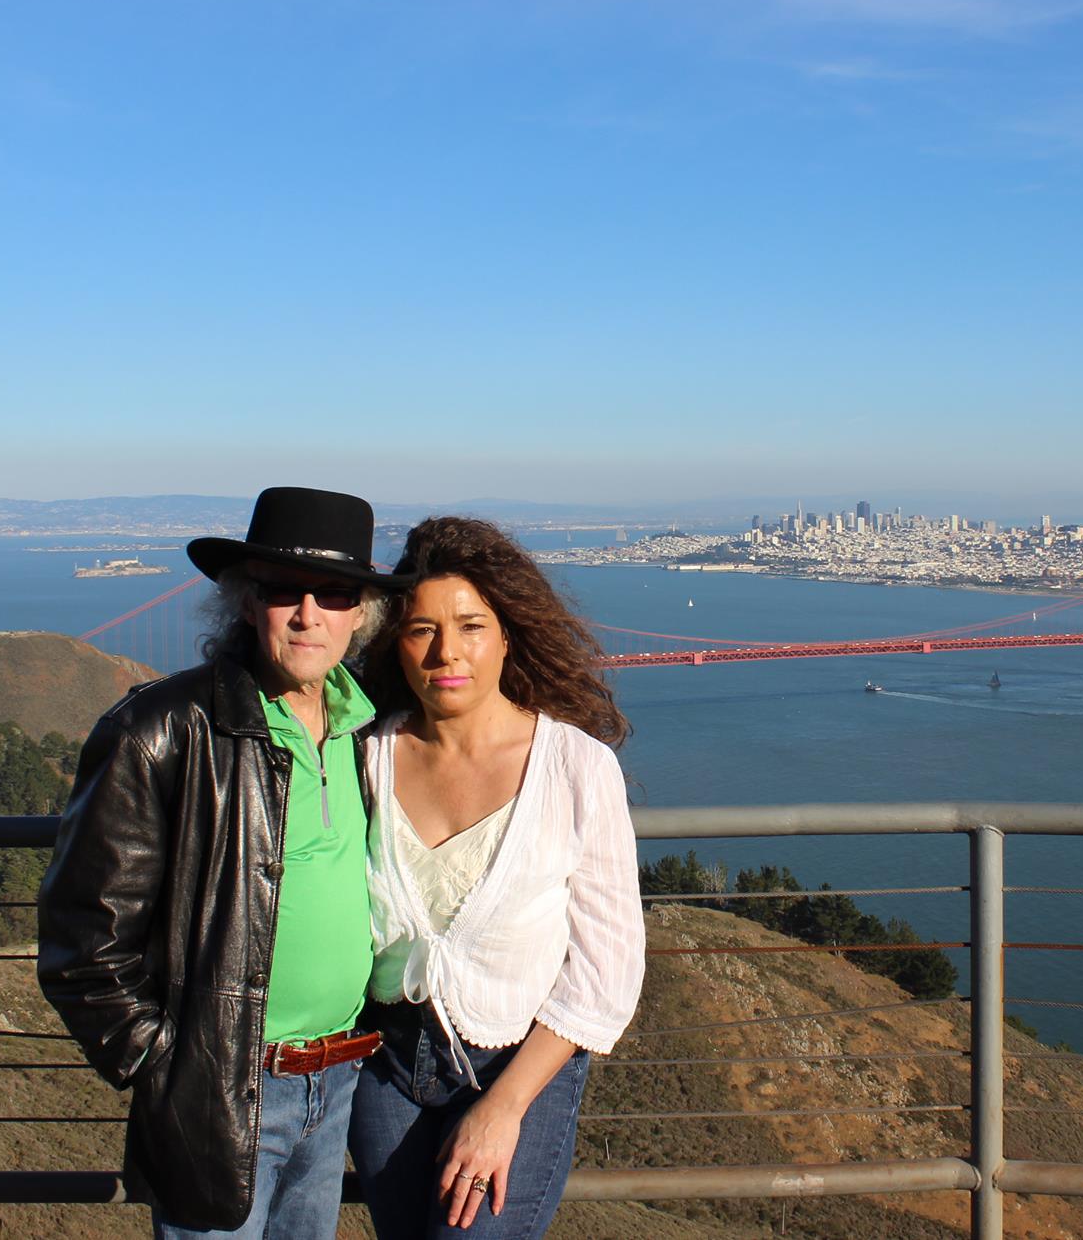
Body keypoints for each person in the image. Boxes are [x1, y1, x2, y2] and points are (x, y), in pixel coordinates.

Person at [37, 486, 411, 1237]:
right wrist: (170, 1067)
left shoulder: (369, 730)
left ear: (360, 614)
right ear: (247, 602)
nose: (310, 613)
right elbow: (82, 940)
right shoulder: (163, 730)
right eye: (284, 591)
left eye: (335, 593)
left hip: (339, 1082)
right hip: (223, 1091)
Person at [350, 517, 644, 1238]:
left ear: (508, 633)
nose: (446, 651)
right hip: (383, 1065)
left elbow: (607, 971)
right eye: (421, 629)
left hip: (518, 1065)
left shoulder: (576, 767)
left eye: (471, 625)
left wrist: (504, 1105)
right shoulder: (363, 759)